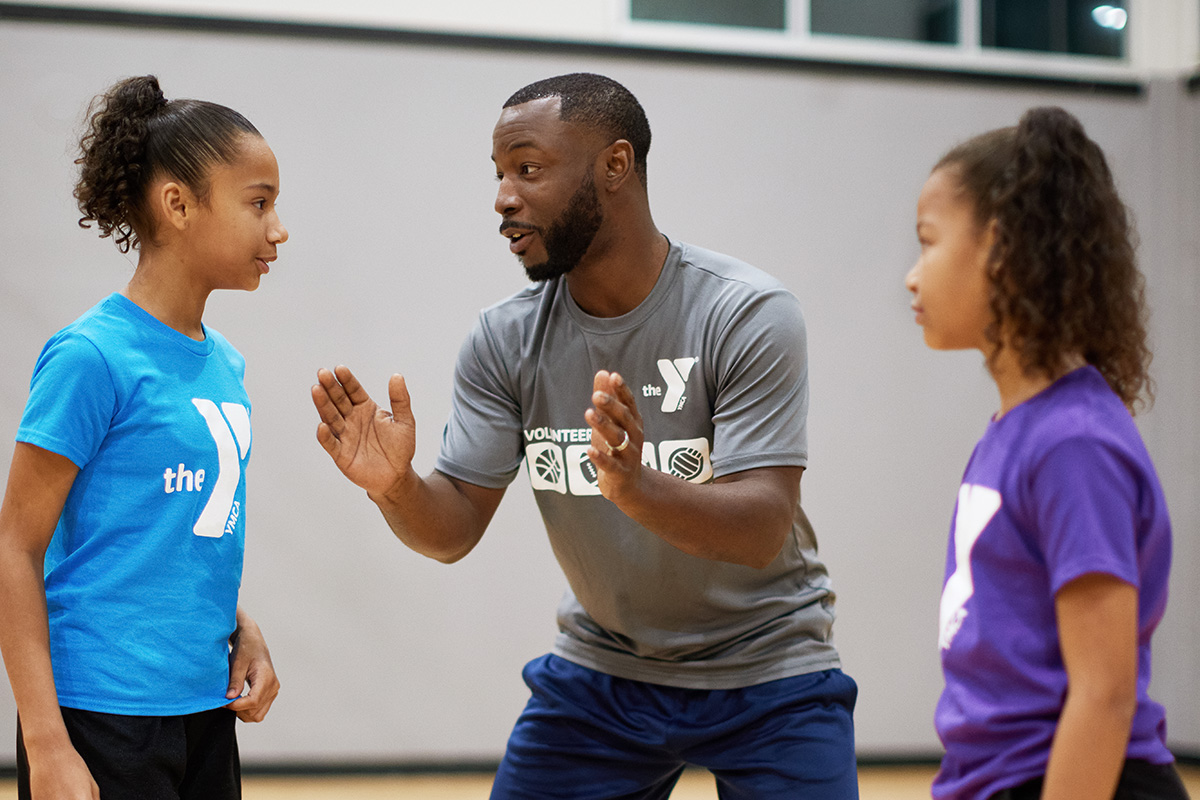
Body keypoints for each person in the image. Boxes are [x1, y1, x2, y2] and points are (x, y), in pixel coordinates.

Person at [311, 73, 856, 798]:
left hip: (769, 672)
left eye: (528, 169)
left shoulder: (745, 313)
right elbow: (453, 529)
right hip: (606, 672)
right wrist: (396, 488)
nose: (503, 198)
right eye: (500, 175)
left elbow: (762, 528)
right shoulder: (504, 337)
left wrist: (637, 488)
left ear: (615, 165)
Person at [0, 75, 286, 800]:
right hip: (102, 719)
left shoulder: (226, 361)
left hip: (203, 712)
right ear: (178, 204)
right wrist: (45, 745)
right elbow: (15, 547)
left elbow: (163, 535)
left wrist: (237, 625)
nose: (278, 229)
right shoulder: (91, 357)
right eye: (259, 203)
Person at [905, 106, 1188, 800]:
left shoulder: (1074, 444)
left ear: (1000, 247)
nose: (913, 277)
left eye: (928, 242)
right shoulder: (1018, 429)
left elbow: (1104, 693)